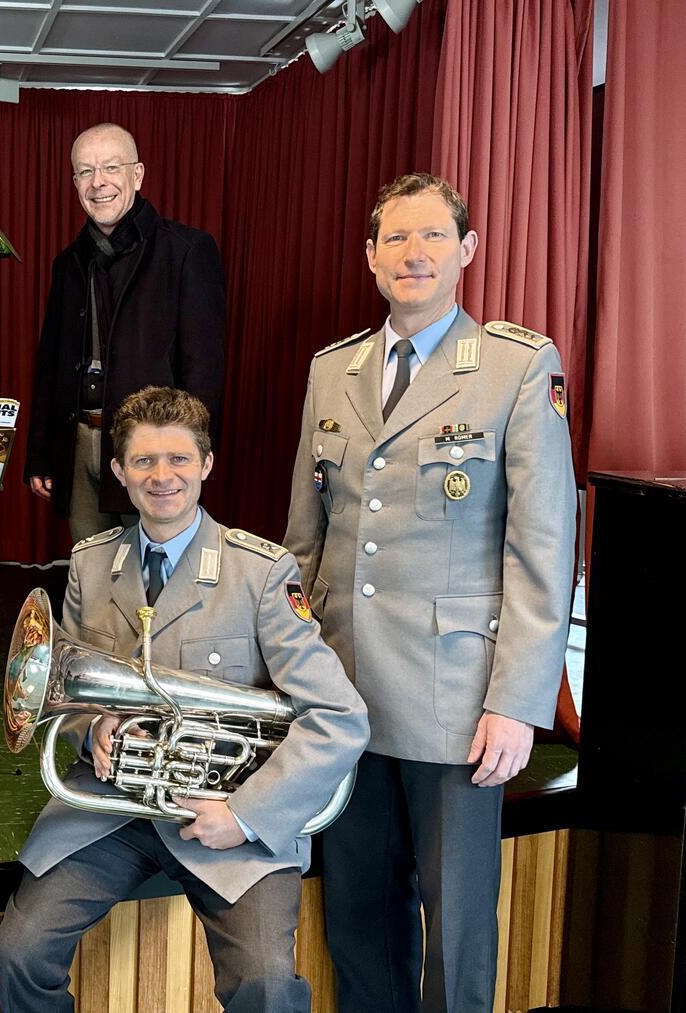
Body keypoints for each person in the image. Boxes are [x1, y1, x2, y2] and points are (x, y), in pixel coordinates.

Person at [282, 173, 576, 1013]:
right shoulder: (331, 372)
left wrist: (518, 700)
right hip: (344, 696)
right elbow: (307, 543)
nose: (415, 254)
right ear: (371, 257)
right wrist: (292, 676)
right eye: (397, 239)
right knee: (359, 921)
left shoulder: (518, 368)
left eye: (434, 237)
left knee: (455, 936)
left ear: (467, 252)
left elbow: (542, 547)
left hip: (457, 703)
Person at [0, 387, 368, 1013]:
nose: (161, 476)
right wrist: (93, 731)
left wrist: (245, 814)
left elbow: (340, 718)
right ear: (119, 472)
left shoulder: (261, 572)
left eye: (178, 460)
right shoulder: (91, 564)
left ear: (207, 465)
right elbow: (72, 695)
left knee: (268, 986)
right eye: (143, 462)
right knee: (17, 954)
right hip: (110, 811)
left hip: (228, 813)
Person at [24, 123, 227, 543]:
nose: (98, 182)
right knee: (91, 570)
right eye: (85, 171)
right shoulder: (67, 263)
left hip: (156, 450)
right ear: (75, 181)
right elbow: (50, 365)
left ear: (137, 175)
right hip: (80, 445)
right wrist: (42, 453)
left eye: (111, 167)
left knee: (154, 575)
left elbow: (204, 367)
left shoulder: (188, 251)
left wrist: (190, 454)